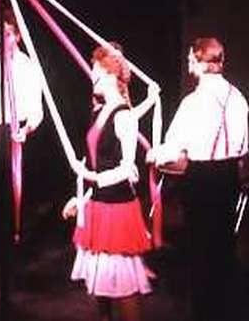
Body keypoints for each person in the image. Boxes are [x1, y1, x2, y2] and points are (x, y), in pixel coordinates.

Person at [147, 37, 249, 321]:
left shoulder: (193, 103)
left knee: (201, 250)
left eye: (191, 58)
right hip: (229, 178)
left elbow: (175, 146)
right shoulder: (239, 98)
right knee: (223, 247)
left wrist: (156, 155)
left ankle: (204, 311)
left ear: (199, 62)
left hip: (202, 178)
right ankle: (223, 308)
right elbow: (243, 148)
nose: (188, 62)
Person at [62, 44, 153, 321]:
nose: (91, 76)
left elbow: (127, 169)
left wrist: (92, 178)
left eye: (95, 71)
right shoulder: (99, 112)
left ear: (108, 75)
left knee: (123, 286)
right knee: (101, 286)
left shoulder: (124, 116)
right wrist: (82, 198)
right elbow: (98, 163)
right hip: (100, 206)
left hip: (119, 210)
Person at [0, 6, 43, 253]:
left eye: (8, 34)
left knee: (15, 190)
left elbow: (37, 108)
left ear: (17, 36)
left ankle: (15, 240)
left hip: (18, 133)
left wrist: (27, 129)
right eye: (0, 34)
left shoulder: (28, 66)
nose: (3, 39)